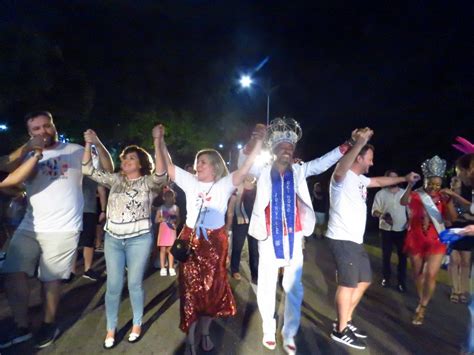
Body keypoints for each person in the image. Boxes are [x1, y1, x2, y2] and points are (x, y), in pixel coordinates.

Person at [242, 117, 360, 355]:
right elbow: (244, 161)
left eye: (290, 147)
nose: (287, 150)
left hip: (294, 237)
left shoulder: (300, 170)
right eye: (282, 147)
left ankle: (289, 333)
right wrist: (255, 138)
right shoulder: (262, 171)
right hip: (267, 237)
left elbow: (324, 162)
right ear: (274, 150)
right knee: (266, 285)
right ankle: (268, 327)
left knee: (293, 287)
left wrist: (350, 142)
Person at [0, 111, 113, 349]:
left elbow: (107, 168)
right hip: (30, 224)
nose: (43, 132)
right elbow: (5, 169)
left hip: (63, 227)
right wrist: (27, 149)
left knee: (50, 279)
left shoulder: (73, 150)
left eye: (46, 126)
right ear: (30, 133)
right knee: (12, 272)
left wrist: (97, 143)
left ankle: (48, 322)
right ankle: (20, 325)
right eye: (36, 129)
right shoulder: (29, 153)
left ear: (54, 125)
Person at [155, 123, 265, 355]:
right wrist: (160, 140)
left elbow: (245, 168)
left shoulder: (224, 184)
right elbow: (169, 166)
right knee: (190, 291)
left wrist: (258, 143)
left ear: (215, 166)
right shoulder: (190, 182)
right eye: (197, 162)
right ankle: (191, 340)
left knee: (211, 291)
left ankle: (205, 332)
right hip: (190, 241)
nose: (198, 165)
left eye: (203, 162)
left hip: (215, 244)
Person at [326, 128, 420, 349]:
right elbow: (341, 168)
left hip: (354, 241)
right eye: (369, 158)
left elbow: (378, 181)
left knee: (365, 280)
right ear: (359, 156)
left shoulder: (360, 180)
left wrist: (405, 178)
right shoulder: (342, 175)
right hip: (341, 238)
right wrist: (360, 142)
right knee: (348, 284)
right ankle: (340, 330)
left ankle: (345, 320)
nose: (371, 162)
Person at [82, 126, 167, 349]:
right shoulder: (115, 180)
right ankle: (111, 327)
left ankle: (137, 323)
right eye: (125, 158)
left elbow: (161, 173)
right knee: (113, 285)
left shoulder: (149, 183)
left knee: (134, 283)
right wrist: (90, 143)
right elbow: (88, 169)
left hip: (139, 239)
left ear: (140, 163)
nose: (127, 161)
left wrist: (157, 142)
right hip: (113, 239)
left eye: (132, 158)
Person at [400, 155, 456, 326]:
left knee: (430, 275)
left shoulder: (443, 197)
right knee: (418, 274)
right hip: (415, 237)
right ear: (425, 180)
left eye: (437, 184)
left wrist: (450, 201)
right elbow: (403, 201)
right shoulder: (416, 194)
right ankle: (421, 298)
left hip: (436, 239)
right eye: (431, 183)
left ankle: (422, 307)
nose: (433, 187)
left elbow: (451, 218)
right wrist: (410, 184)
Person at [371, 170, 408, 292]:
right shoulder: (380, 194)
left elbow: (411, 211)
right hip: (386, 229)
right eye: (391, 178)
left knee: (402, 257)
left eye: (396, 178)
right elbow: (374, 211)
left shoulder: (405, 193)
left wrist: (410, 221)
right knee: (386, 256)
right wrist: (382, 215)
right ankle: (386, 278)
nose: (394, 180)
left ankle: (401, 282)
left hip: (402, 230)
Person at [445, 177, 474, 303]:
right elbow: (450, 218)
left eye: (456, 180)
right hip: (453, 230)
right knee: (454, 260)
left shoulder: (468, 198)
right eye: (451, 181)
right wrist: (464, 216)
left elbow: (471, 213)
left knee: (466, 262)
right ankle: (455, 290)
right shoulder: (447, 197)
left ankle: (463, 290)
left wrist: (465, 217)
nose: (453, 183)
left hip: (467, 231)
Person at [226, 174, 258, 283]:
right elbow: (231, 208)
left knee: (254, 249)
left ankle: (255, 273)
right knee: (237, 247)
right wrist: (228, 226)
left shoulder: (259, 188)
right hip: (240, 222)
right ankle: (235, 269)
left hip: (254, 223)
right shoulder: (238, 188)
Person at [155, 188, 180, 276]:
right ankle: (163, 268)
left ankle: (171, 267)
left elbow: (178, 219)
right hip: (163, 231)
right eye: (167, 196)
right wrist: (162, 219)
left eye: (171, 196)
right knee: (162, 249)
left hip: (171, 231)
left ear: (173, 197)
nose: (169, 198)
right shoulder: (160, 208)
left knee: (171, 250)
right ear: (164, 197)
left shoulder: (176, 208)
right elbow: (156, 220)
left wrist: (175, 224)